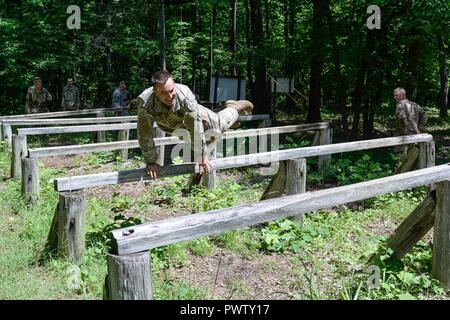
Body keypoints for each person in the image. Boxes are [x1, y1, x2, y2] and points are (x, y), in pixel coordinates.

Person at [137, 70, 253, 179]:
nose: (169, 96)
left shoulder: (185, 95)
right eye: (163, 93)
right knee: (207, 139)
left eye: (171, 90)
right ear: (155, 91)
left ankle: (234, 108)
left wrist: (201, 155)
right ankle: (230, 123)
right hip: (173, 126)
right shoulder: (145, 102)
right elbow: (144, 133)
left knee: (218, 127)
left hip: (197, 118)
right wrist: (151, 161)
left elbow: (196, 127)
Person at [394, 87, 427, 171]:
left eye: (396, 95)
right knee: (414, 159)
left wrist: (404, 130)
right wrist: (420, 128)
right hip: (415, 136)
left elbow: (402, 118)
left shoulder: (400, 105)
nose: (394, 97)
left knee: (401, 161)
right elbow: (424, 115)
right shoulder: (414, 104)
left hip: (403, 137)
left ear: (402, 95)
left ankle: (400, 179)